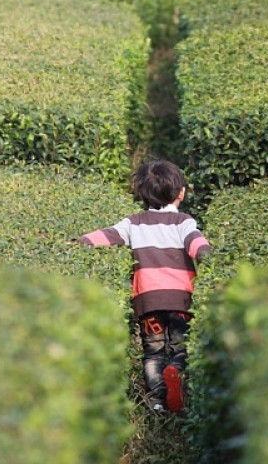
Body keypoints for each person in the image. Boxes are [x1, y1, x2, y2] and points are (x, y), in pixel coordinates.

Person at [78, 158, 212, 413]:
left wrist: (82, 241)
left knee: (153, 353)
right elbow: (195, 242)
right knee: (179, 346)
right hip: (179, 300)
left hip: (147, 301)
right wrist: (207, 253)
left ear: (141, 193)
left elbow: (108, 235)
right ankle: (176, 374)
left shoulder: (133, 222)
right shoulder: (183, 221)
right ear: (181, 192)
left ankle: (158, 401)